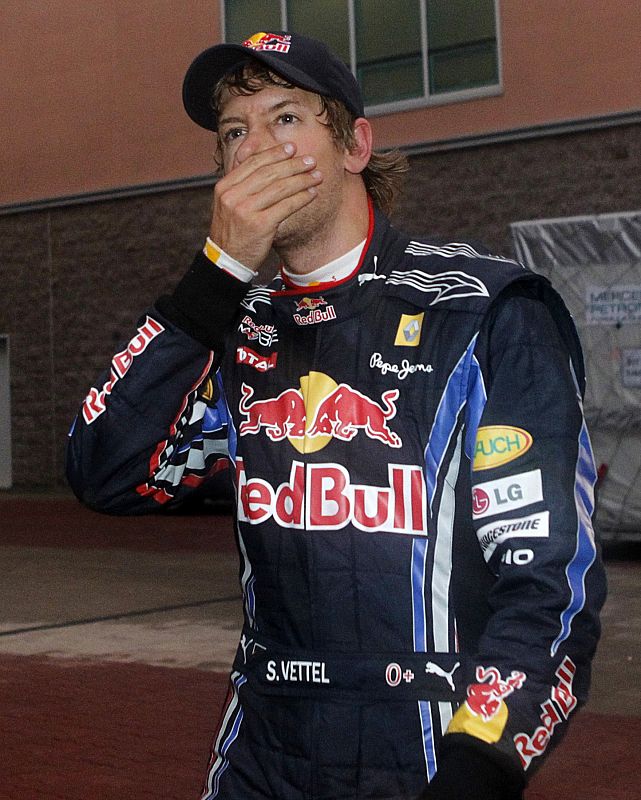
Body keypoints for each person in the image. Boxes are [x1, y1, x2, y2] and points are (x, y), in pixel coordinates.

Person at [67, 30, 606, 800]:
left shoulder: (484, 311)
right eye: (233, 133)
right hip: (264, 750)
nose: (255, 150)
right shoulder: (226, 328)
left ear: (355, 144)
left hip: (432, 745)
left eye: (285, 119)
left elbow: (549, 585)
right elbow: (103, 471)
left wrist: (480, 765)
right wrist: (211, 280)